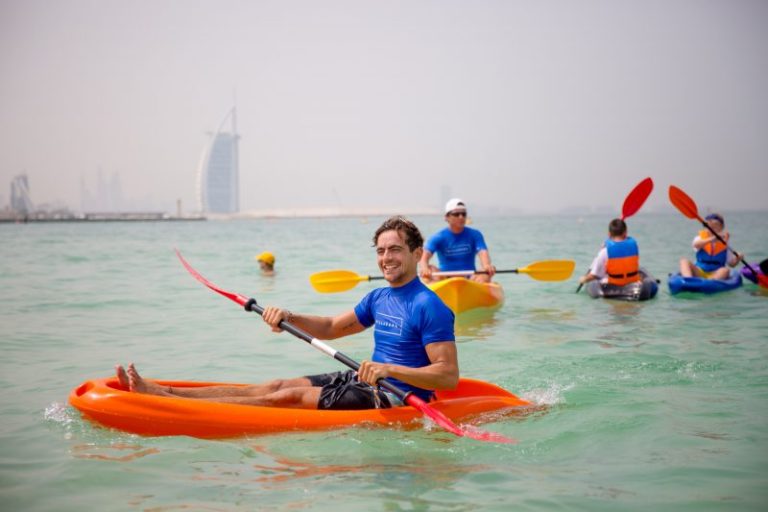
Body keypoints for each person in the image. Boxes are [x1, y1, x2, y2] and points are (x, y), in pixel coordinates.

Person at [115, 216, 458, 410]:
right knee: (277, 384)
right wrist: (287, 317)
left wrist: (387, 369)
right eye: (381, 251)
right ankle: (168, 393)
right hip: (363, 379)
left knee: (288, 397)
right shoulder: (379, 296)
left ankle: (171, 404)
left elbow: (447, 376)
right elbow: (330, 327)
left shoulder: (430, 305)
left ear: (416, 253)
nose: (386, 258)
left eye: (395, 249)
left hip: (394, 397)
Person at [419, 198, 496, 283]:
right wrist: (424, 268)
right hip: (445, 280)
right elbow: (424, 257)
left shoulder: (475, 234)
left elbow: (482, 252)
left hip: (470, 280)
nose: (461, 217)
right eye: (456, 214)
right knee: (429, 268)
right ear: (447, 217)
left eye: (463, 214)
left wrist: (487, 265)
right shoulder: (438, 237)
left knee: (484, 272)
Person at [578, 218, 641, 287]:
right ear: (625, 233)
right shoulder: (635, 246)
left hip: (613, 285)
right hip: (633, 282)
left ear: (609, 234)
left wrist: (583, 279)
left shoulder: (605, 251)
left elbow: (594, 276)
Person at [679, 213, 742, 280]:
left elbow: (731, 264)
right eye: (709, 227)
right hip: (699, 271)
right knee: (684, 261)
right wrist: (711, 239)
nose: (711, 229)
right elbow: (696, 245)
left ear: (721, 228)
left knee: (725, 270)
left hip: (716, 273)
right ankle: (688, 281)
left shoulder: (725, 243)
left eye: (715, 226)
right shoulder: (700, 238)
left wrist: (737, 258)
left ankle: (711, 282)